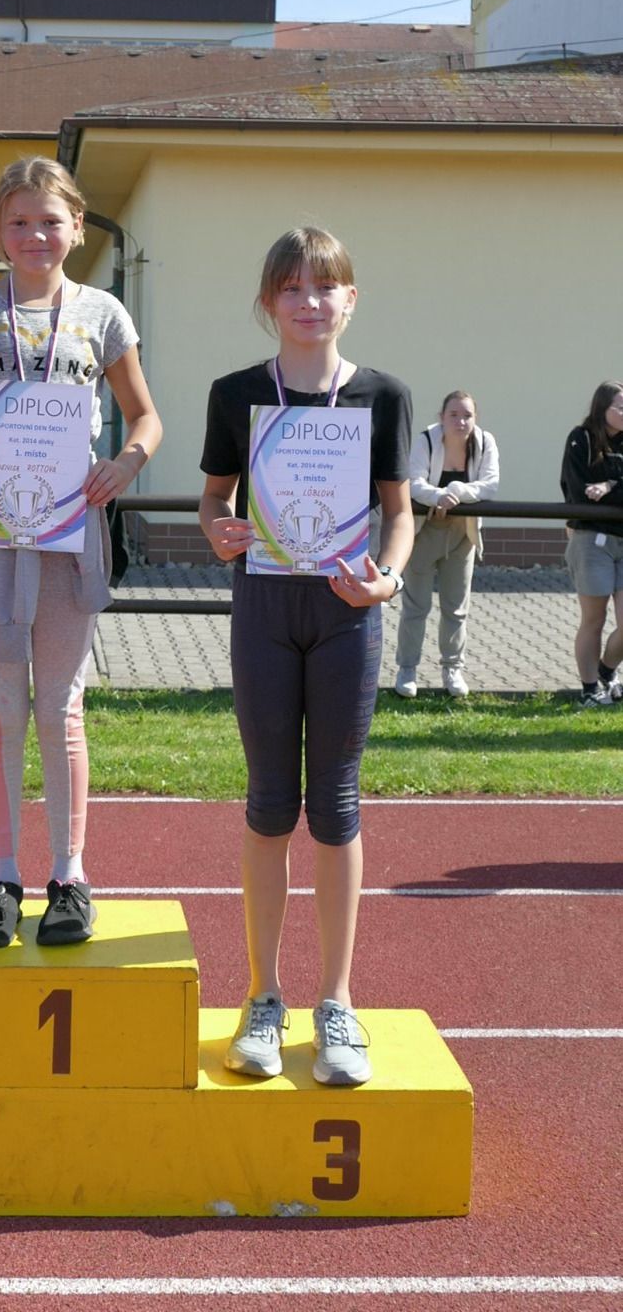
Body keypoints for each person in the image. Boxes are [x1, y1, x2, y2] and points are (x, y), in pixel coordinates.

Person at [0, 156, 162, 948]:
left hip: (67, 532)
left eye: (50, 221)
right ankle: (1, 876)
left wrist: (127, 463)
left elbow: (146, 416)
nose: (35, 235)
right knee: (1, 707)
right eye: (18, 221)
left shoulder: (103, 313)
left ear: (77, 227)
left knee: (60, 705)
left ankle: (69, 876)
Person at [199, 225, 412, 1087]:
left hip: (345, 614)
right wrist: (219, 530)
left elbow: (399, 512)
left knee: (336, 803)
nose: (309, 302)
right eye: (291, 288)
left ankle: (337, 1002)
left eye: (324, 287)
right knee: (268, 803)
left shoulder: (384, 395)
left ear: (350, 299)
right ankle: (263, 996)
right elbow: (214, 501)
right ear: (268, 302)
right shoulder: (236, 393)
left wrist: (388, 579)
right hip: (264, 607)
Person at [394, 391, 500, 700]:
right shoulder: (426, 440)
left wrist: (455, 490)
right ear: (442, 417)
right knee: (416, 606)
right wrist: (438, 496)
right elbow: (413, 483)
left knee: (456, 607)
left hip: (462, 534)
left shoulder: (485, 442)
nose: (461, 421)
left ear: (475, 419)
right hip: (424, 532)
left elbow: (490, 485)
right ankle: (407, 669)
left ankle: (453, 669)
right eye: (454, 414)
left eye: (467, 415)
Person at [560, 381, 623, 707]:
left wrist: (608, 486)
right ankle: (589, 690)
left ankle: (606, 669)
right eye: (621, 407)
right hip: (591, 540)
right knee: (594, 619)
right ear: (602, 408)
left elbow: (601, 493)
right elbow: (578, 491)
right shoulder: (580, 438)